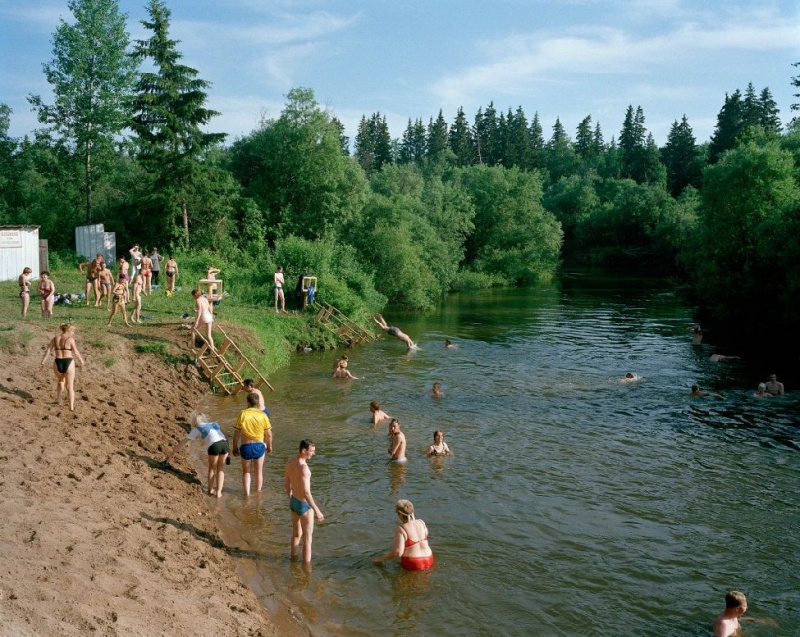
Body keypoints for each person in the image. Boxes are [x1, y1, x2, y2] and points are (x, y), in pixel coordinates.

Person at [163, 413, 229, 498]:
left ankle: (210, 490)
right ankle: (219, 492)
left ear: (194, 421)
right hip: (224, 444)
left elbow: (183, 442)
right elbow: (226, 434)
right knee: (220, 469)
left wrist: (171, 454)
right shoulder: (214, 424)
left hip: (214, 446)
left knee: (212, 468)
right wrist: (229, 449)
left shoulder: (198, 428)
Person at [284, 439, 324, 563]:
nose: (313, 454)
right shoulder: (304, 469)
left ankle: (293, 560)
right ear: (303, 451)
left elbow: (286, 482)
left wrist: (290, 495)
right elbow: (306, 493)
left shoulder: (290, 462)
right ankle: (307, 570)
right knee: (307, 540)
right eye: (311, 451)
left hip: (294, 502)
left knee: (296, 535)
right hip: (304, 505)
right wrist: (317, 510)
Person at [373, 499, 434, 571]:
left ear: (400, 514)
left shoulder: (401, 529)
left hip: (413, 562)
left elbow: (398, 553)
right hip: (429, 558)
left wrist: (381, 558)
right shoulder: (422, 523)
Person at [232, 392, 273, 496]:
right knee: (259, 472)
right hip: (259, 446)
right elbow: (268, 434)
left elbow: (236, 433)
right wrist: (269, 446)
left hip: (246, 447)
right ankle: (258, 494)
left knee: (246, 472)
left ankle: (247, 495)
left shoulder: (243, 413)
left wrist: (234, 446)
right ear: (258, 402)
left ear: (248, 402)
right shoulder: (263, 415)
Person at [38, 323, 85, 411]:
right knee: (70, 386)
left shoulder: (55, 339)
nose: (73, 333)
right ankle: (71, 407)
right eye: (73, 331)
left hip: (57, 362)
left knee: (60, 380)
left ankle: (58, 400)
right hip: (68, 362)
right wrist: (81, 361)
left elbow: (48, 351)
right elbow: (76, 352)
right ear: (68, 330)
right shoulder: (70, 339)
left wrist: (43, 362)